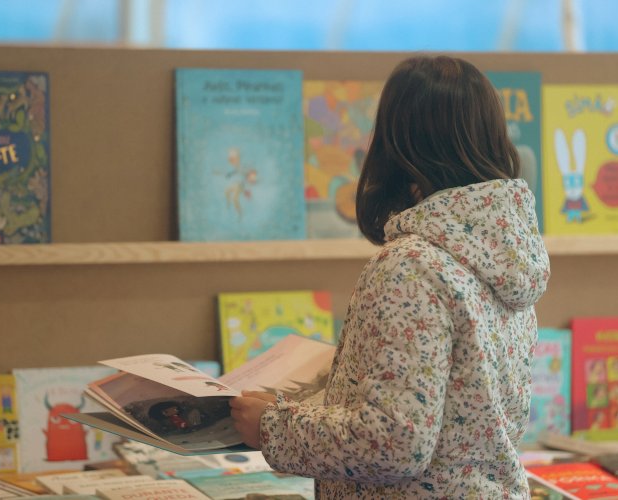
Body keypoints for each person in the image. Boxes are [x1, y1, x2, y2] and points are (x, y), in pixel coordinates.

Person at [229, 55, 550, 498]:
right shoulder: (505, 254)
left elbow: (394, 442)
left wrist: (271, 427)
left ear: (399, 143)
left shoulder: (413, 266)